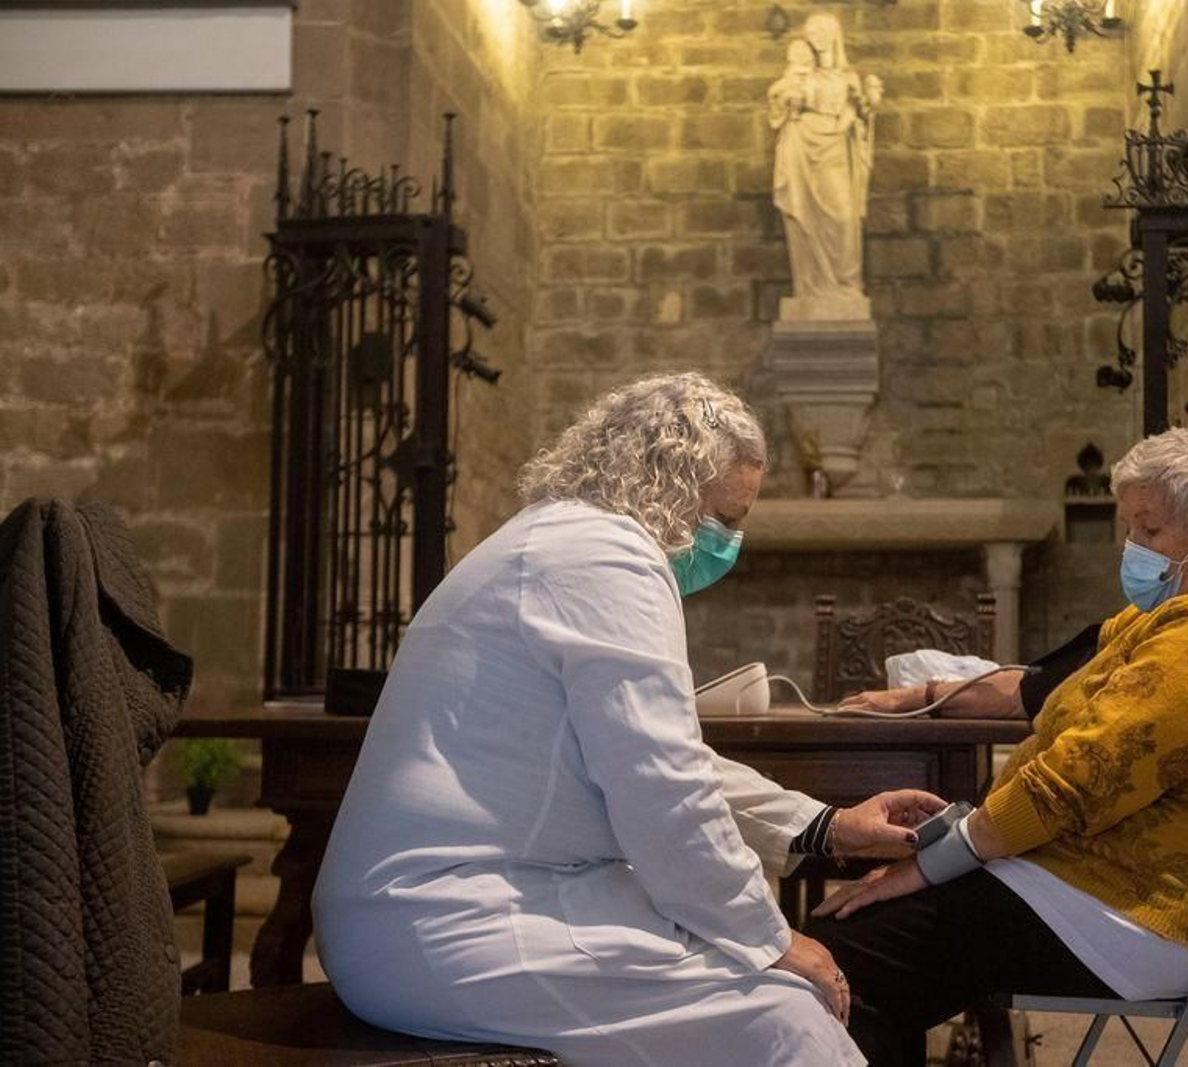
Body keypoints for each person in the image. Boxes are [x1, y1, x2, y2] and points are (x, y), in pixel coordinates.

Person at [312, 373, 944, 1066]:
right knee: (785, 1014)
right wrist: (772, 937)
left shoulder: (560, 539)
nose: (729, 541)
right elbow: (662, 786)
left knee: (746, 973)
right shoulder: (607, 559)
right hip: (452, 921)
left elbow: (661, 758)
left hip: (447, 902)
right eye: (724, 518)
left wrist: (827, 825)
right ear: (670, 482)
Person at [808, 426, 1188, 1065]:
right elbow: (1052, 683)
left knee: (835, 959)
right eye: (1128, 528)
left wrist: (925, 866)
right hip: (1110, 878)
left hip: (1147, 908)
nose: (1132, 548)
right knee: (861, 936)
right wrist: (926, 701)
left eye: (1150, 529)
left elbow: (1066, 787)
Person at [768, 13, 882, 312]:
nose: (815, 36)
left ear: (834, 35)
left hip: (835, 151)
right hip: (801, 148)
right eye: (811, 31)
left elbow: (861, 119)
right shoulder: (800, 74)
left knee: (844, 216)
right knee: (803, 218)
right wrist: (788, 99)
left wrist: (865, 108)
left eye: (821, 30)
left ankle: (845, 286)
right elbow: (777, 101)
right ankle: (809, 289)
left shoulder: (848, 77)